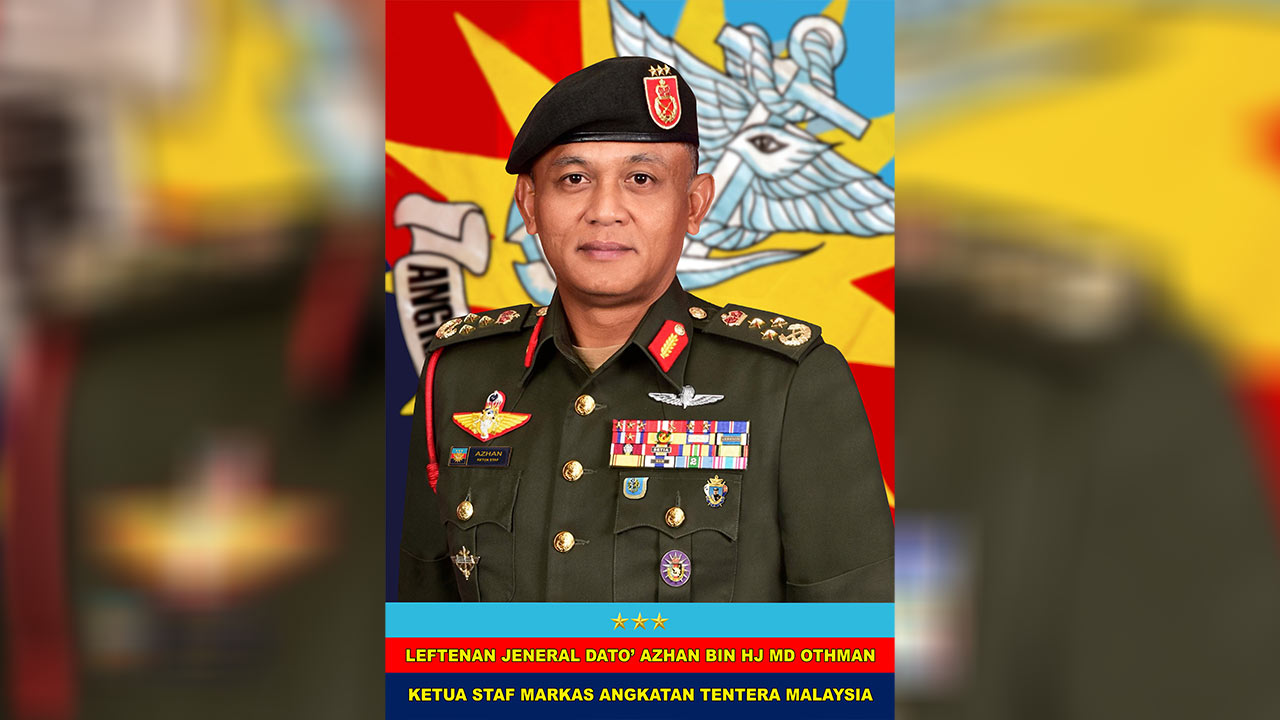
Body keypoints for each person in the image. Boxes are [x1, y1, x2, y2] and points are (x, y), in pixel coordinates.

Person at [397, 56, 893, 602]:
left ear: (694, 205)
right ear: (530, 205)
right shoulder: (458, 376)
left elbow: (854, 640)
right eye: (574, 179)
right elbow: (427, 629)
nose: (605, 210)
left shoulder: (789, 384)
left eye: (641, 179)